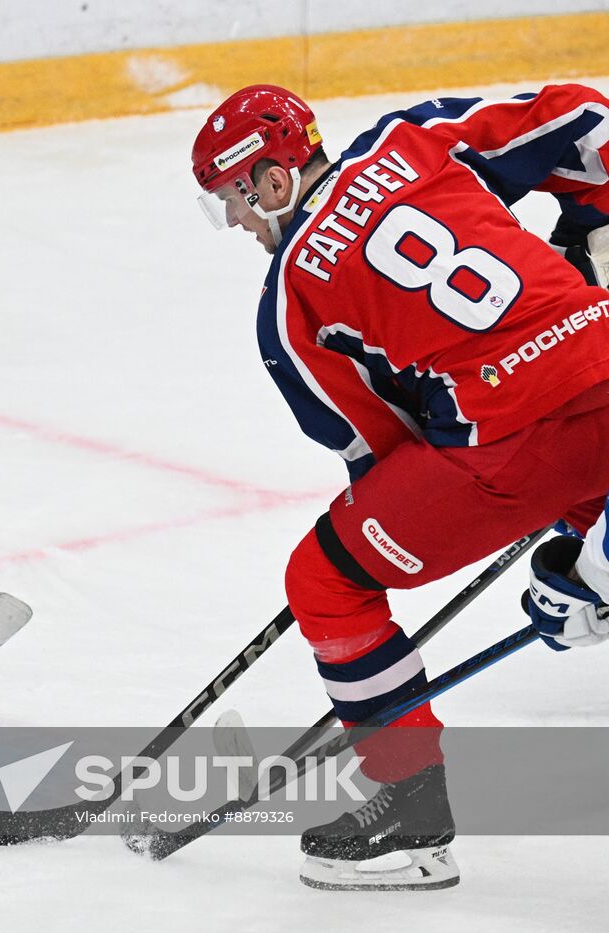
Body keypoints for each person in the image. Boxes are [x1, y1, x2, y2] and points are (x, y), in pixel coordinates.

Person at [190, 84, 609, 890]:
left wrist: (511, 484)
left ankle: (409, 808)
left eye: (233, 200)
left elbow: (385, 452)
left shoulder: (290, 302)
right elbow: (578, 116)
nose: (239, 222)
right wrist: (592, 230)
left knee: (326, 581)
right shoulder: (410, 137)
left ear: (273, 180)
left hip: (508, 445)